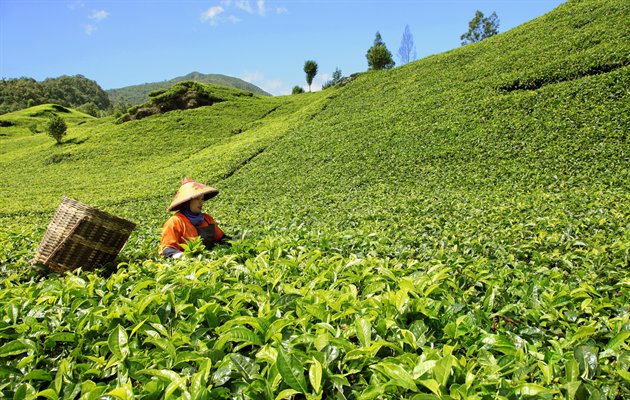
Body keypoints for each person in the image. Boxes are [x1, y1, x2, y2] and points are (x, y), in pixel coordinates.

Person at [160, 177, 226, 258]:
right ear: (187, 201)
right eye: (197, 199)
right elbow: (167, 249)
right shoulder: (175, 222)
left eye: (202, 199)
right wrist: (184, 256)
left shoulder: (207, 219)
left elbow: (221, 238)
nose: (201, 203)